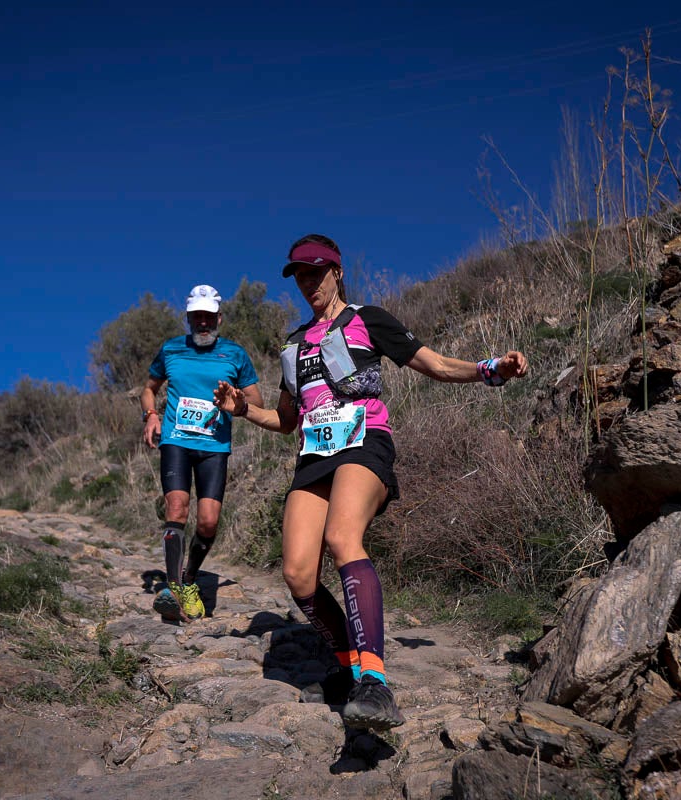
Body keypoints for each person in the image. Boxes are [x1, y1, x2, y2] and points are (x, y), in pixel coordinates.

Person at [213, 234, 527, 731]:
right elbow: (287, 420)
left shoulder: (367, 318)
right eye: (299, 275)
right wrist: (243, 409)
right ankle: (346, 667)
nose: (308, 283)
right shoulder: (293, 347)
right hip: (314, 456)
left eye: (316, 272)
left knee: (342, 536)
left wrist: (492, 369)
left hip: (364, 442)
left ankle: (375, 684)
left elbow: (437, 365)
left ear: (337, 271)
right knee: (298, 574)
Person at [141, 284, 262, 622]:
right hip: (177, 441)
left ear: (219, 318)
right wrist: (151, 415)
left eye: (209, 317)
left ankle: (191, 577)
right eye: (197, 317)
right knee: (177, 507)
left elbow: (258, 402)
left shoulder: (235, 355)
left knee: (208, 522)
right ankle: (175, 588)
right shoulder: (171, 350)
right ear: (189, 318)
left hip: (214, 447)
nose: (203, 323)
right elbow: (148, 390)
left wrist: (236, 401)